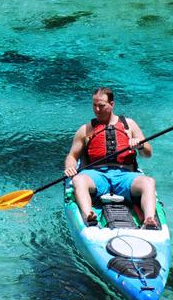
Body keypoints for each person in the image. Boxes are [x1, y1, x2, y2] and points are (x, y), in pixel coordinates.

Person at [64, 87, 159, 229]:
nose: (97, 109)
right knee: (78, 180)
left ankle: (149, 220)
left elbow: (148, 153)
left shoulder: (129, 125)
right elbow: (72, 156)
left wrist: (140, 145)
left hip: (125, 175)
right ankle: (88, 215)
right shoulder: (85, 130)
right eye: (94, 105)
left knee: (148, 182)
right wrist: (69, 167)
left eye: (101, 105)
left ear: (112, 104)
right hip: (96, 176)